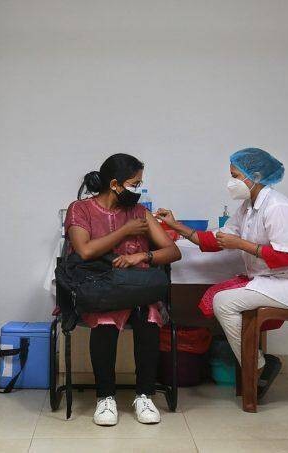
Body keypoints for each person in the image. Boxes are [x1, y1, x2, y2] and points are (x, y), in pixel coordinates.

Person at [156, 148, 288, 398]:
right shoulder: (248, 207)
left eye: (235, 176)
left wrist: (240, 244)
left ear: (255, 176)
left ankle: (256, 366)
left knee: (224, 302)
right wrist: (176, 226)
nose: (231, 182)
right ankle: (256, 364)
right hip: (276, 281)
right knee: (222, 300)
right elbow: (215, 240)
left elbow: (285, 257)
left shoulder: (277, 206)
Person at [64, 154, 181, 426]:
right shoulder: (80, 209)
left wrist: (142, 256)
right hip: (99, 287)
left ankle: (144, 395)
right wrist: (126, 230)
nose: (138, 189)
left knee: (148, 318)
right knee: (106, 320)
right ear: (115, 184)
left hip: (136, 287)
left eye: (139, 184)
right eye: (134, 183)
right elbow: (85, 251)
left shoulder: (139, 212)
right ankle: (105, 397)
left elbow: (172, 251)